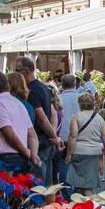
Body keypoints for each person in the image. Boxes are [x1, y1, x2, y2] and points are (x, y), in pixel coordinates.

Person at [16, 56, 62, 185]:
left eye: (17, 70)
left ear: (25, 72)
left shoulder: (30, 91)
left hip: (39, 144)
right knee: (47, 186)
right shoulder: (43, 87)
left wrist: (53, 135)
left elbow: (41, 118)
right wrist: (53, 135)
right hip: (46, 142)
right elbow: (53, 113)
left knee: (38, 187)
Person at [0, 71, 38, 170]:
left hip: (5, 159)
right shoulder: (18, 103)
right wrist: (33, 154)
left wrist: (28, 153)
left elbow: (9, 134)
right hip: (19, 157)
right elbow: (32, 134)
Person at [65, 91, 105, 196]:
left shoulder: (76, 117)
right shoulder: (100, 119)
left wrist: (69, 154)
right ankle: (86, 208)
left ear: (80, 104)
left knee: (84, 186)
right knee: (84, 185)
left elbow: (73, 136)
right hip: (94, 153)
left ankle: (92, 207)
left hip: (79, 152)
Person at [55, 74, 83, 185]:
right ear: (75, 84)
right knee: (78, 165)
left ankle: (65, 190)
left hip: (63, 135)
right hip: (79, 136)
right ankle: (77, 189)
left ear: (62, 85)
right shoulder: (81, 98)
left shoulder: (58, 98)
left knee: (63, 165)